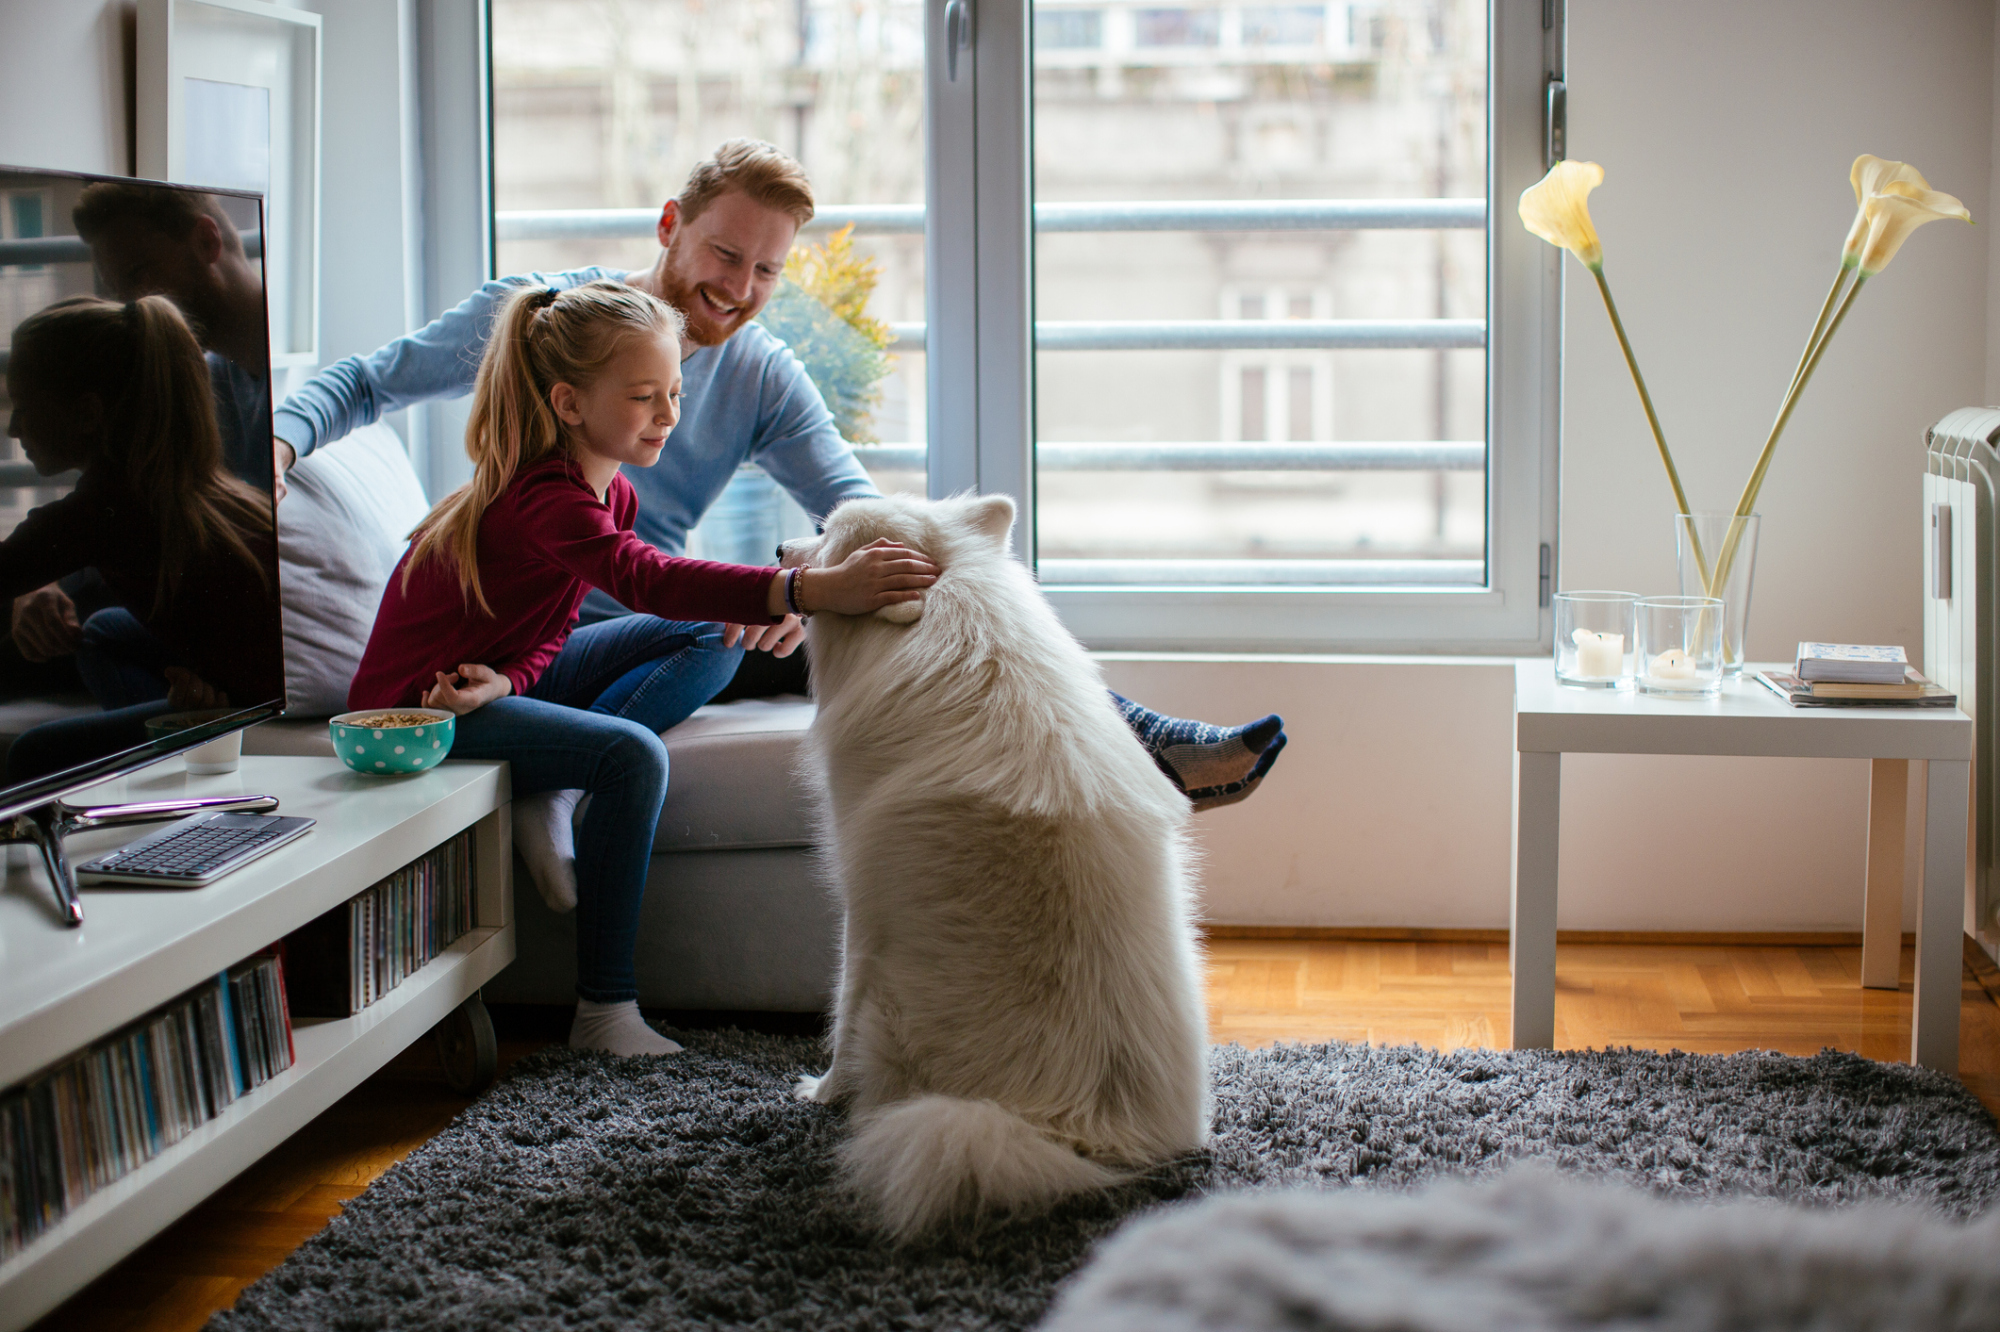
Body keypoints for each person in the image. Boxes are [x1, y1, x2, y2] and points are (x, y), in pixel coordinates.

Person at [272, 139, 1285, 851]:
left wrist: (805, 583)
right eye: (722, 253)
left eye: (765, 270)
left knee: (905, 598)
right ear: (669, 227)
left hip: (675, 621)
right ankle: (571, 787)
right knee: (748, 624)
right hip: (551, 632)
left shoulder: (760, 372)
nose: (738, 287)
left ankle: (1137, 742)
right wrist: (280, 439)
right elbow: (368, 379)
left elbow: (850, 507)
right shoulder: (549, 323)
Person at [347, 279, 936, 1055]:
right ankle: (603, 1012)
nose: (669, 415)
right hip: (416, 713)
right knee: (630, 756)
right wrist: (810, 589)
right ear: (568, 404)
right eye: (643, 396)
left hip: (480, 686)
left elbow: (550, 633)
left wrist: (515, 683)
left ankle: (553, 777)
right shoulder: (543, 499)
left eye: (675, 392)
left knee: (714, 631)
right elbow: (645, 577)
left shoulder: (611, 491)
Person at [0, 295, 281, 779]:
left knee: (33, 753)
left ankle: (176, 744)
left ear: (88, 414)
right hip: (255, 675)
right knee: (103, 629)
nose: (11, 428)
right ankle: (173, 720)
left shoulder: (101, 510)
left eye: (24, 409)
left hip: (252, 707)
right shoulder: (183, 485)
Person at [10, 183, 278, 681]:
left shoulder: (292, 405)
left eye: (138, 275)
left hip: (272, 661)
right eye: (118, 291)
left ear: (206, 242)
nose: (132, 307)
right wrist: (41, 581)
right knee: (101, 631)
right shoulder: (196, 393)